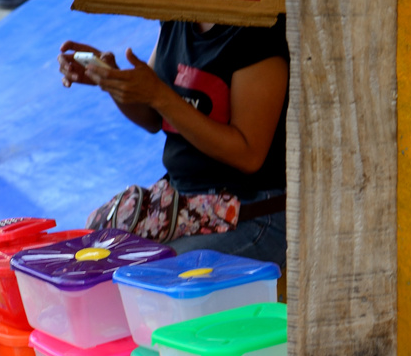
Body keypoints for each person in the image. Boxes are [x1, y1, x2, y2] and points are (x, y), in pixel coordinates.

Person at [57, 17, 289, 267]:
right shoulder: (178, 19)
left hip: (255, 213)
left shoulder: (256, 33)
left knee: (140, 276)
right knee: (95, 257)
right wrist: (111, 80)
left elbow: (248, 155)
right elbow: (153, 117)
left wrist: (159, 96)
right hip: (186, 203)